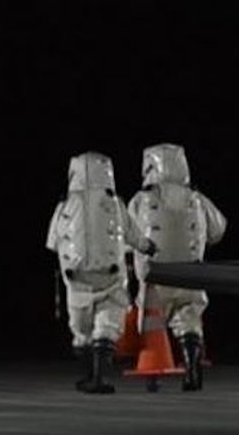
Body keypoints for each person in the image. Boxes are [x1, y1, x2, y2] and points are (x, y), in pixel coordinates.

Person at [46, 151, 150, 393]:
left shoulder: (65, 204)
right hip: (110, 275)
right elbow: (134, 235)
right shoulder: (116, 204)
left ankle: (88, 373)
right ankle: (99, 376)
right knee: (107, 324)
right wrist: (147, 246)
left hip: (77, 278)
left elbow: (52, 242)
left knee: (81, 328)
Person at [128, 143, 228, 390]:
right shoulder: (197, 198)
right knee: (189, 320)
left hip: (154, 279)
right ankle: (192, 369)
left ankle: (152, 374)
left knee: (152, 327)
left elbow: (125, 236)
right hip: (190, 275)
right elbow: (219, 229)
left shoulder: (141, 200)